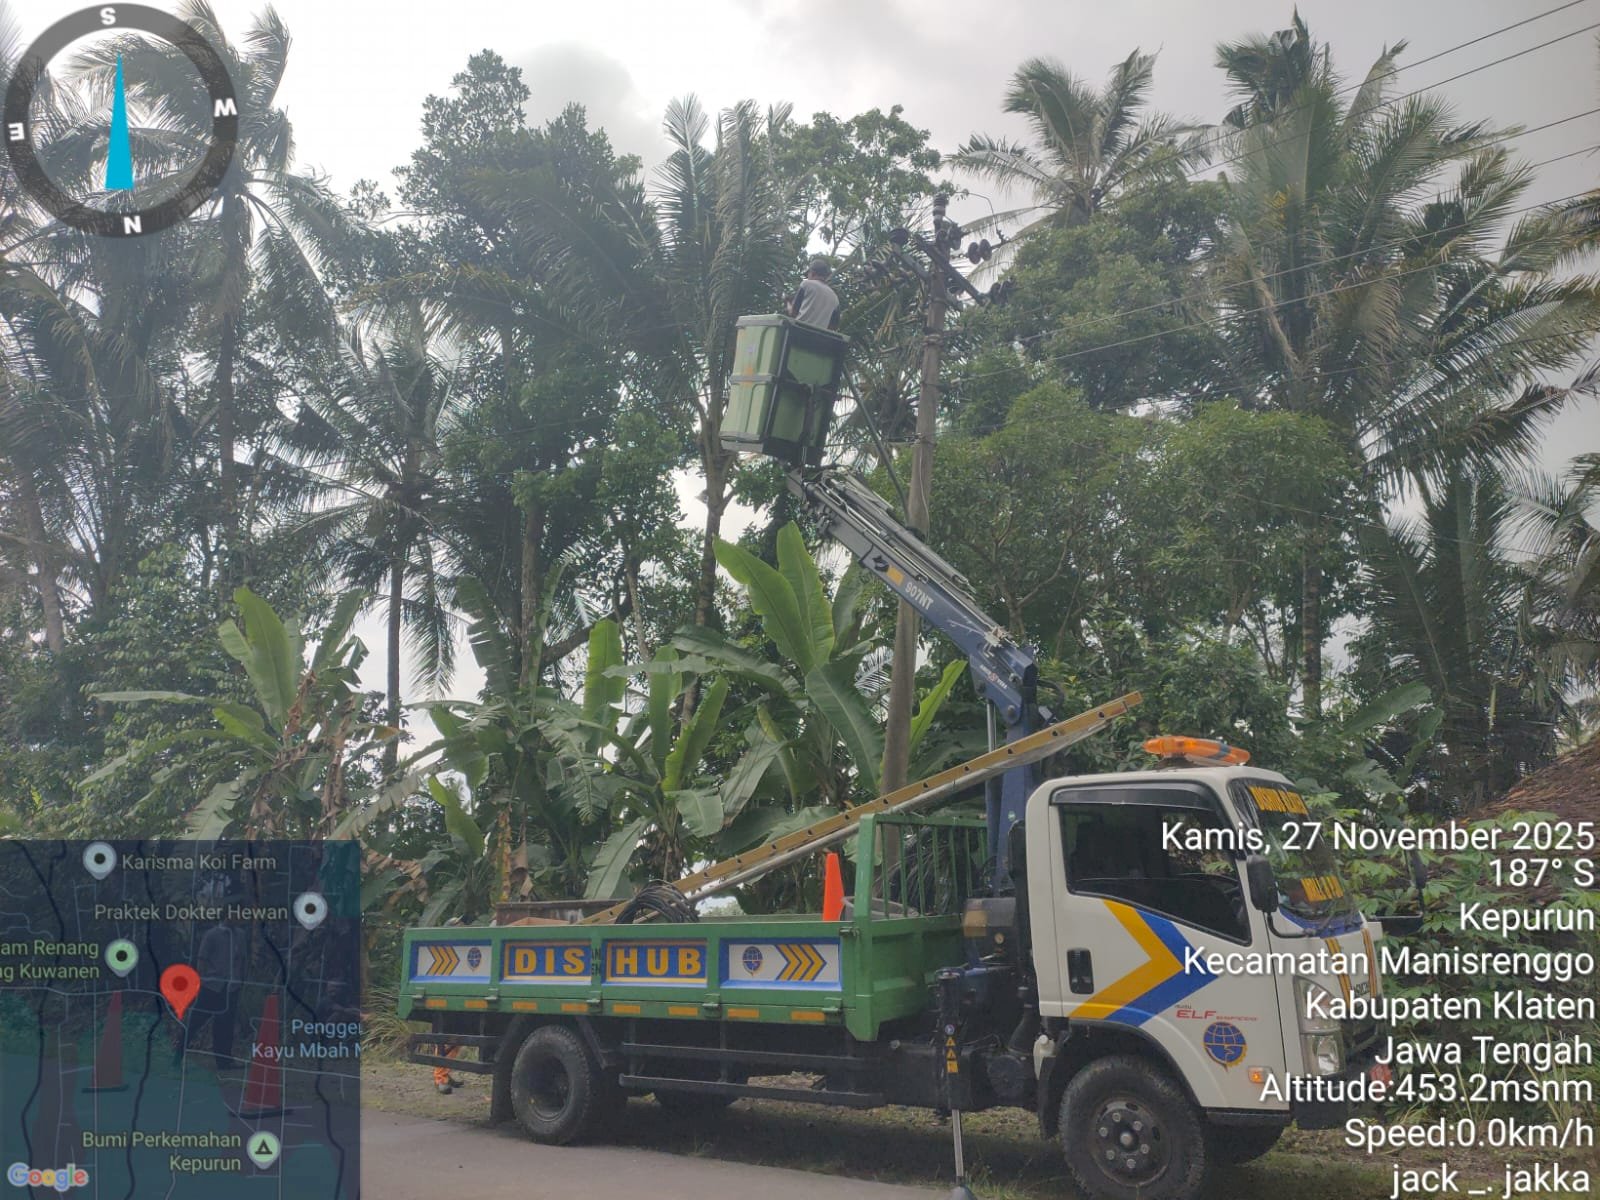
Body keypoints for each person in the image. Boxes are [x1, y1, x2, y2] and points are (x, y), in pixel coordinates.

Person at [787, 258, 840, 330]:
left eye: (808, 274)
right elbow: (833, 326)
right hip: (818, 338)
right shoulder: (835, 297)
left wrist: (788, 303)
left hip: (799, 331)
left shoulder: (806, 284)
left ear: (812, 273)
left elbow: (793, 313)